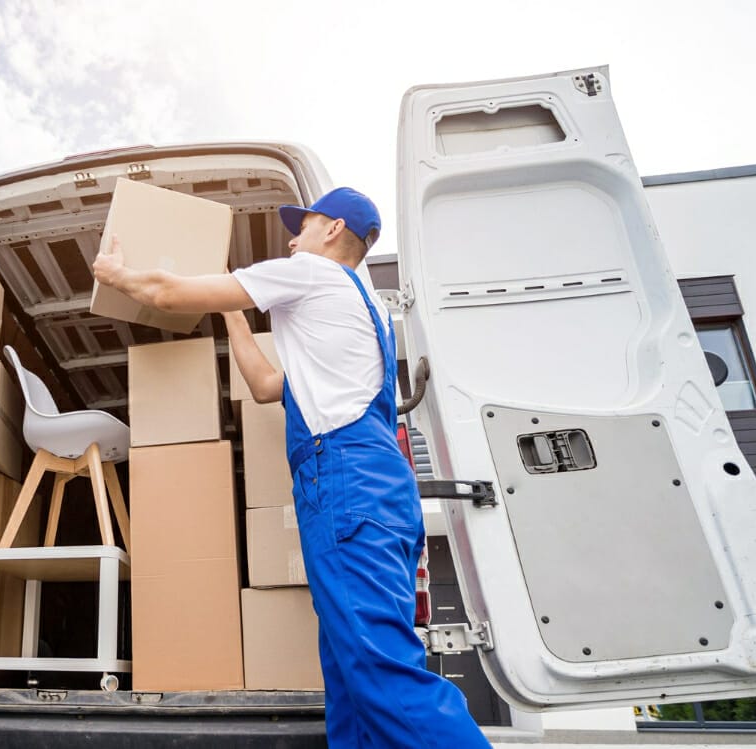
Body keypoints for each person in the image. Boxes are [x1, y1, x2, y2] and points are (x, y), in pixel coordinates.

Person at [92, 187, 489, 748]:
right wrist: (232, 306)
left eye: (303, 225)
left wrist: (117, 274)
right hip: (377, 489)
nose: (291, 236)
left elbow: (165, 291)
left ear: (332, 230)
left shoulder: (310, 273)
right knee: (350, 678)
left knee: (381, 673)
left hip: (348, 483)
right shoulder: (365, 310)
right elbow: (264, 386)